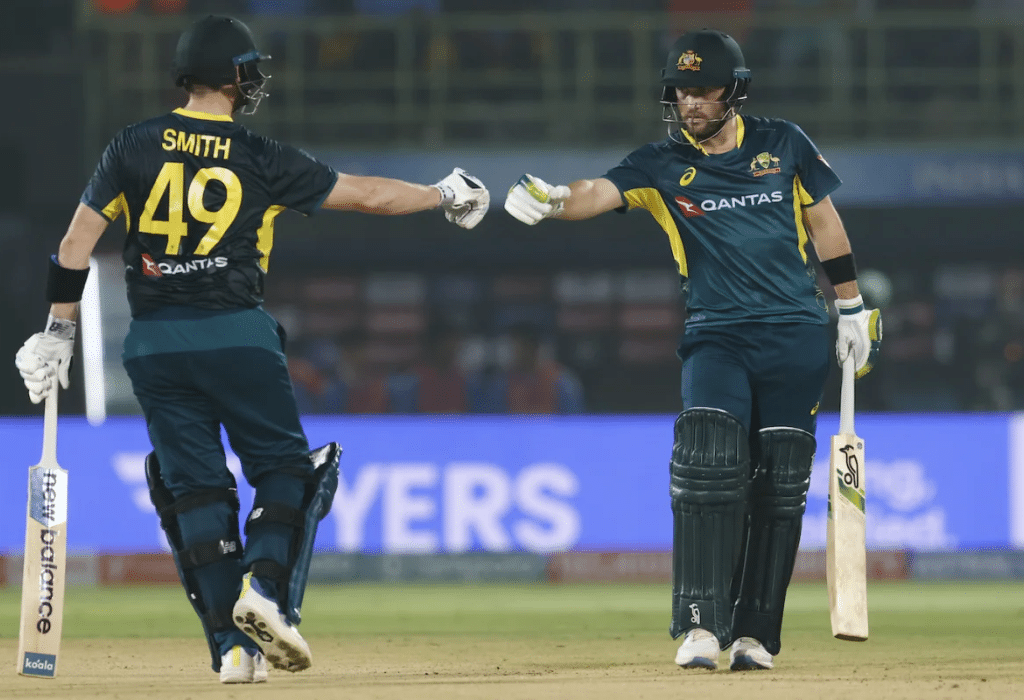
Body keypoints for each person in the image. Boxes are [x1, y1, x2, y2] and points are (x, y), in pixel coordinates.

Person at [14, 14, 488, 684]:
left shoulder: (131, 145)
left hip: (152, 346)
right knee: (287, 470)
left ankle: (233, 653)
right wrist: (443, 193)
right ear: (235, 77)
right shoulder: (260, 157)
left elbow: (71, 250)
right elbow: (373, 196)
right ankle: (264, 589)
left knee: (196, 492)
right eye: (250, 69)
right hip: (235, 331)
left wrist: (57, 333)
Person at [504, 29, 881, 671]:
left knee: (781, 484)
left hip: (794, 332)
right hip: (717, 335)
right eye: (680, 92)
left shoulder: (784, 144)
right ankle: (702, 628)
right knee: (707, 466)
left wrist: (849, 305)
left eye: (703, 91)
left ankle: (756, 635)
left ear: (733, 92)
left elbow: (824, 221)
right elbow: (600, 191)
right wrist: (556, 200)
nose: (690, 103)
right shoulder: (659, 165)